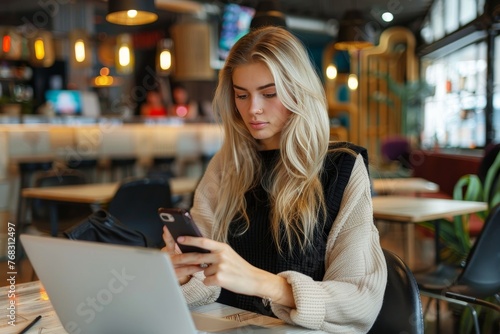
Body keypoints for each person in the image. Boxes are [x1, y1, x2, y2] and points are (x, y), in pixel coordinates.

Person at [162, 26, 387, 332]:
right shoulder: (225, 166)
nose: (253, 109)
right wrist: (184, 274)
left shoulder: (342, 167)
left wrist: (263, 283)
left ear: (298, 91)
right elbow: (207, 284)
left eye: (269, 93)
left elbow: (361, 301)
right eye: (241, 95)